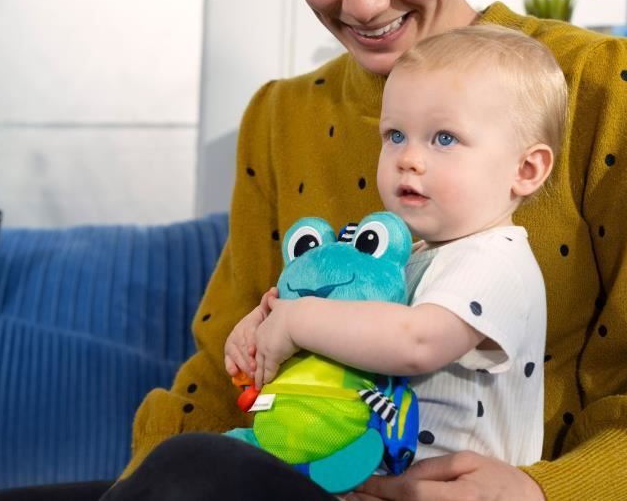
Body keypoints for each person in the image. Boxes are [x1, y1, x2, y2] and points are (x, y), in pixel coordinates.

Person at [0, 0, 627, 499]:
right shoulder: (281, 116)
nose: (364, 3)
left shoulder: (602, 88)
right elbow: (220, 381)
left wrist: (542, 492)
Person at [225, 25, 567, 479]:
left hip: (448, 490)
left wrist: (299, 320)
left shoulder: (495, 260)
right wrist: (267, 327)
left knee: (196, 468)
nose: (408, 158)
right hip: (365, 475)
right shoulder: (409, 258)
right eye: (395, 135)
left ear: (526, 169)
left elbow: (415, 343)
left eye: (444, 138)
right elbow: (354, 334)